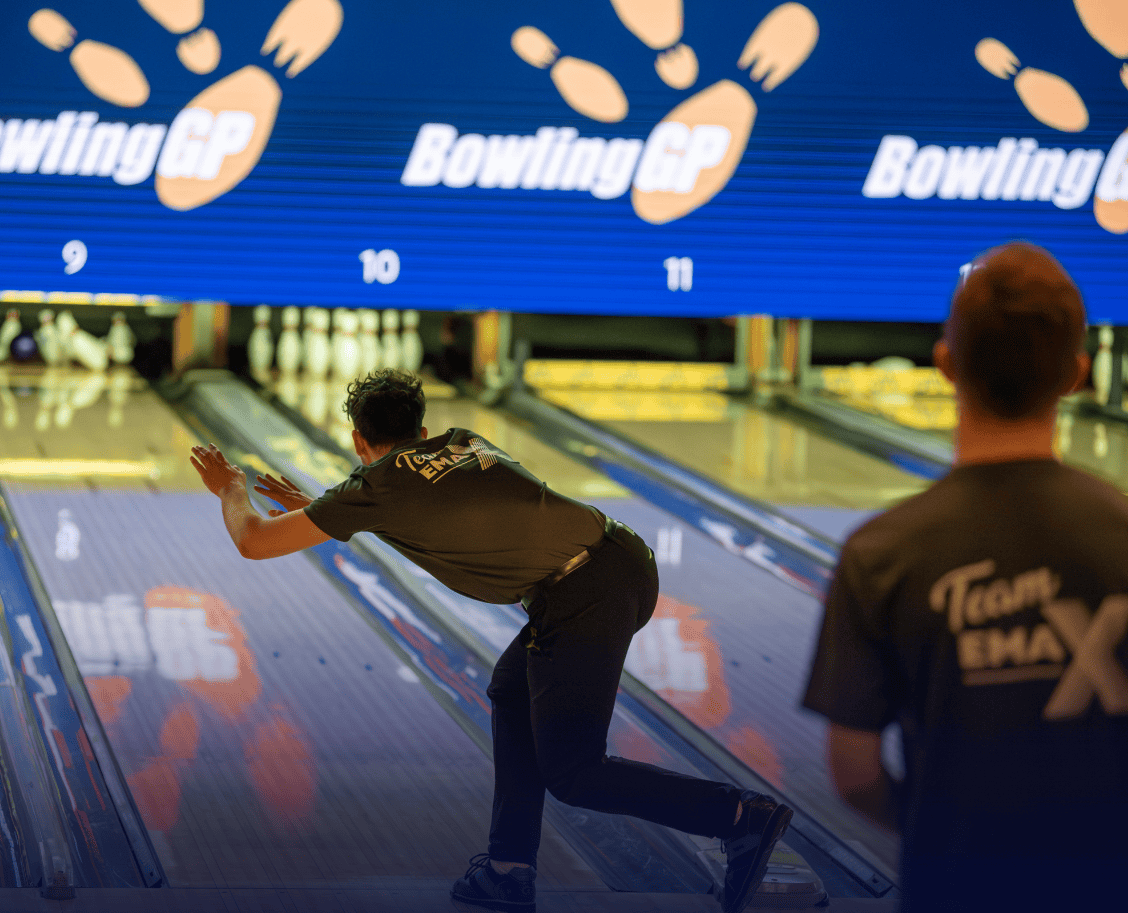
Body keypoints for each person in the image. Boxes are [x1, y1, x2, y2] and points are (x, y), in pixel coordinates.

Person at [190, 369, 794, 913]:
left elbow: (255, 541)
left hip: (589, 594)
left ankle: (740, 815)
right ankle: (508, 869)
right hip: (613, 561)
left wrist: (231, 488)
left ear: (356, 440)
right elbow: (436, 509)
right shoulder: (460, 441)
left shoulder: (372, 489)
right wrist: (333, 510)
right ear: (421, 427)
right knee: (512, 692)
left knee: (574, 772)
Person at [802, 242, 1128, 912]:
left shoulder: (881, 550)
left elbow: (855, 772)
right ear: (1077, 373)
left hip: (953, 882)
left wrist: (938, 831)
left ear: (946, 364)